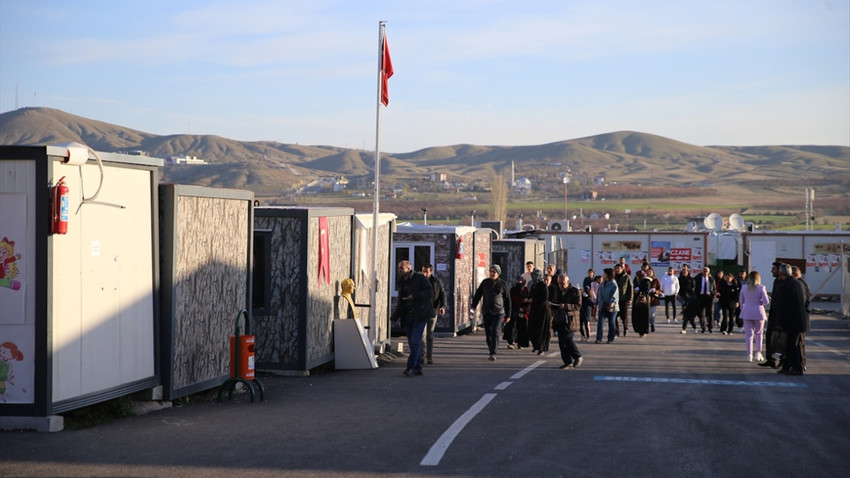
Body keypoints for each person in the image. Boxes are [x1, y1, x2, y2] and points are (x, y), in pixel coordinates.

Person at [390, 260, 433, 377]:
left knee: (414, 342)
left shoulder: (419, 278)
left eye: (401, 268)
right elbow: (400, 302)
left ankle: (411, 367)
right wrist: (395, 317)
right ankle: (418, 367)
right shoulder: (402, 282)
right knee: (412, 343)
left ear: (408, 269)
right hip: (408, 316)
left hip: (420, 315)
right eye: (398, 268)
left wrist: (414, 296)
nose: (399, 270)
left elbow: (429, 292)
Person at [772, 264, 807, 375]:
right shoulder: (797, 284)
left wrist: (779, 322)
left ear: (782, 273)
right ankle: (787, 366)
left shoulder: (784, 285)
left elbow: (783, 306)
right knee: (790, 344)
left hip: (790, 321)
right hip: (799, 320)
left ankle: (797, 367)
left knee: (792, 345)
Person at [471, 264, 511, 361]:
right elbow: (478, 295)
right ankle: (491, 348)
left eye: (494, 272)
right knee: (488, 333)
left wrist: (508, 315)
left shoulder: (503, 284)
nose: (492, 273)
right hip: (487, 311)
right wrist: (473, 307)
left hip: (499, 312)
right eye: (491, 271)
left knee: (495, 331)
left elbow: (508, 300)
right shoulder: (485, 283)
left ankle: (493, 352)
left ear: (498, 273)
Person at [551, 274, 583, 368]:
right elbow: (555, 302)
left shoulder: (574, 291)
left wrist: (566, 306)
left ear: (568, 282)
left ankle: (577, 356)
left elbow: (578, 305)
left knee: (568, 339)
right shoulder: (557, 290)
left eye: (563, 283)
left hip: (570, 319)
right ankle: (567, 361)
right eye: (559, 283)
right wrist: (552, 305)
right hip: (559, 319)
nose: (561, 285)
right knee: (561, 342)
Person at [739, 270, 769, 362]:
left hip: (747, 311)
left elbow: (741, 300)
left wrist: (743, 308)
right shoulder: (761, 288)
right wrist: (759, 302)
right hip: (758, 312)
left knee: (748, 334)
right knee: (759, 333)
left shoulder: (744, 287)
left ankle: (749, 354)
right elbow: (766, 301)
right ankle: (758, 353)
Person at [758, 262, 784, 369]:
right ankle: (770, 359)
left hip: (781, 316)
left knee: (780, 339)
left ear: (780, 270)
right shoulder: (776, 282)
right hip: (773, 314)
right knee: (770, 337)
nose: (771, 271)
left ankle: (783, 360)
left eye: (774, 269)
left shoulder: (784, 283)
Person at [421, 264, 446, 365]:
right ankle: (422, 356)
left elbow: (442, 294)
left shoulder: (436, 282)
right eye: (423, 271)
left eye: (426, 271)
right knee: (422, 335)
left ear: (431, 272)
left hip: (433, 311)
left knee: (429, 335)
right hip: (421, 312)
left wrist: (442, 306)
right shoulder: (419, 281)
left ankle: (429, 356)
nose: (424, 273)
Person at [791, 266, 810, 372]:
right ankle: (801, 363)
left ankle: (801, 364)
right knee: (800, 342)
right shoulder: (802, 284)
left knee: (799, 343)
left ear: (796, 275)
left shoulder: (800, 285)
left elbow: (803, 303)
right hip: (801, 318)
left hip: (800, 318)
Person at [596, 268, 619, 344]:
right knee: (600, 322)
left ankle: (610, 338)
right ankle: (599, 338)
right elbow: (599, 293)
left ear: (608, 275)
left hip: (612, 307)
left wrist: (612, 303)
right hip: (602, 305)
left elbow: (615, 295)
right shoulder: (602, 284)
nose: (603, 275)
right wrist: (597, 303)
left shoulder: (613, 284)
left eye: (604, 274)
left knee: (611, 322)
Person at [506, 275, 529, 350]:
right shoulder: (513, 289)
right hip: (514, 310)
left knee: (521, 327)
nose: (518, 282)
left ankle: (520, 343)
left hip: (523, 311)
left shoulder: (526, 290)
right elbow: (510, 300)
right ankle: (512, 342)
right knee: (513, 326)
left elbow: (528, 300)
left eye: (520, 280)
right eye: (517, 280)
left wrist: (524, 308)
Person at [693, 266, 716, 333]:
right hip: (701, 297)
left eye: (707, 271)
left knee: (710, 312)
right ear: (702, 272)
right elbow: (695, 287)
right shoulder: (698, 278)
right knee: (701, 313)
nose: (705, 273)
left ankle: (710, 327)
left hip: (709, 297)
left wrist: (713, 296)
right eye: (704, 271)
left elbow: (714, 289)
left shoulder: (711, 279)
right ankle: (703, 327)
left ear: (709, 272)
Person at [613, 263, 633, 336]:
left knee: (624, 316)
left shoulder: (626, 277)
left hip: (623, 299)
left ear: (622, 269)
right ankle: (616, 331)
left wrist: (630, 299)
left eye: (618, 268)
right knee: (614, 316)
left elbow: (630, 288)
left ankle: (625, 328)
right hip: (615, 300)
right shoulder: (613, 277)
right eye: (616, 268)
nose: (617, 270)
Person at [631, 270, 652, 337]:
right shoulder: (636, 280)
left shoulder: (647, 281)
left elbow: (647, 290)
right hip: (637, 301)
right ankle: (638, 330)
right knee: (637, 316)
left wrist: (639, 290)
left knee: (644, 317)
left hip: (644, 301)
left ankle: (644, 331)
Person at [580, 269, 596, 342]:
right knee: (580, 325)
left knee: (586, 325)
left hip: (587, 312)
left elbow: (593, 305)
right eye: (589, 273)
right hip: (582, 312)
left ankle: (588, 335)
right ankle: (583, 335)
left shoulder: (594, 280)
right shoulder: (586, 279)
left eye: (591, 273)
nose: (590, 274)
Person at [646, 267, 662, 332]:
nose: (649, 273)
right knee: (646, 314)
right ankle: (646, 326)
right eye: (648, 271)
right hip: (645, 300)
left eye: (650, 271)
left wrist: (656, 291)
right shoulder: (644, 279)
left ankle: (652, 324)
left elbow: (660, 290)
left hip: (654, 300)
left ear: (653, 272)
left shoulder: (656, 280)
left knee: (652, 314)